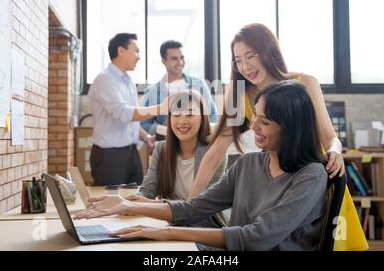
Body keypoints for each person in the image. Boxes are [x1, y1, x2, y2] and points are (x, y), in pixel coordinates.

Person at [74, 81, 328, 251]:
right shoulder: (248, 164)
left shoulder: (312, 175)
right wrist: (127, 205)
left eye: (266, 122)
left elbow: (258, 237)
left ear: (292, 126)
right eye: (255, 118)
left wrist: (169, 233)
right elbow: (194, 207)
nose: (254, 128)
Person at [187, 23, 345, 199]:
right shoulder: (240, 94)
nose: (245, 67)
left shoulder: (305, 83)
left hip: (316, 180)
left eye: (250, 56)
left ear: (268, 51)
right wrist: (188, 205)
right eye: (238, 60)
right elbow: (215, 154)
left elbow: (330, 139)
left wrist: (335, 152)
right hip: (278, 188)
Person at [87, 33, 169, 186]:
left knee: (135, 200)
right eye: (136, 51)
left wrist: (146, 137)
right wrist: (161, 108)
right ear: (121, 51)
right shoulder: (105, 79)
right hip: (110, 157)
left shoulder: (128, 81)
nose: (139, 57)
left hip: (131, 153)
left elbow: (131, 120)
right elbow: (124, 113)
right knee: (110, 205)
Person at [131, 91, 225, 203]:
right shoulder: (161, 149)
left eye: (190, 114)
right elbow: (147, 191)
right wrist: (132, 201)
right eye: (176, 114)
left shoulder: (215, 151)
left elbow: (204, 204)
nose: (182, 121)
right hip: (171, 219)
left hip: (207, 219)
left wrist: (159, 204)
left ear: (202, 119)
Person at [141, 40, 218, 136]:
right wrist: (161, 128)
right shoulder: (152, 91)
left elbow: (213, 114)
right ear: (163, 61)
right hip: (167, 143)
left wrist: (204, 129)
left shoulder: (199, 85)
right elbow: (144, 123)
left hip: (198, 143)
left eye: (182, 57)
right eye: (174, 59)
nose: (180, 62)